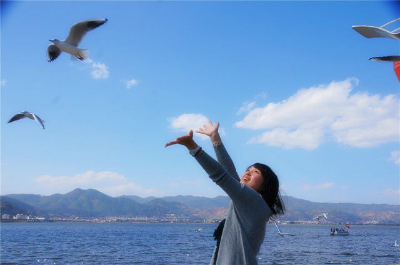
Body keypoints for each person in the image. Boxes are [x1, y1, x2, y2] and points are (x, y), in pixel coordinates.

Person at [165, 121, 285, 265]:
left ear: (265, 185)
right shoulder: (249, 203)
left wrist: (193, 148)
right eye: (248, 169)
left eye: (255, 172)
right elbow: (229, 172)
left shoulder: (254, 201)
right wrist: (215, 138)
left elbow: (221, 175)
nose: (248, 172)